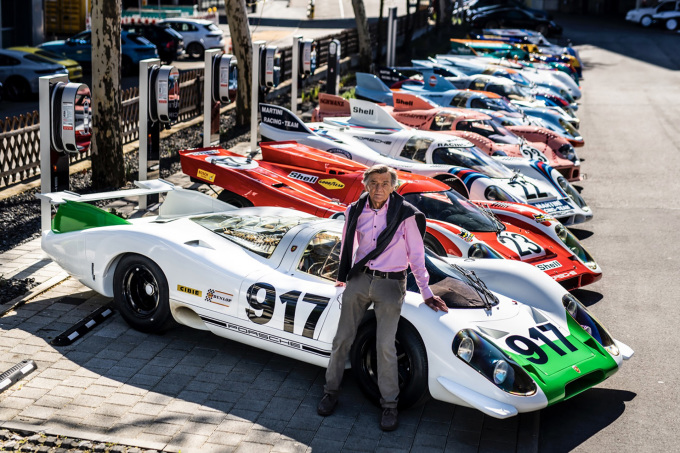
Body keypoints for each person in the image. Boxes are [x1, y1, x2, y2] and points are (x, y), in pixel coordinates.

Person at [317, 164, 448, 431]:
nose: (379, 188)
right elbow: (348, 246)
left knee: (385, 345)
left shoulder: (406, 215)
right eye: (374, 183)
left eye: (385, 184)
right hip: (360, 280)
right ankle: (330, 392)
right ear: (366, 184)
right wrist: (343, 277)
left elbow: (417, 256)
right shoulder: (354, 210)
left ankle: (389, 406)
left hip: (391, 284)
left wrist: (426, 292)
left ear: (393, 186)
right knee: (342, 339)